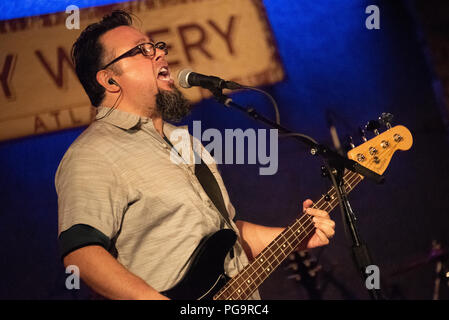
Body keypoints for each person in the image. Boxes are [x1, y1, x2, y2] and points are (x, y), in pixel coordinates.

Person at [55, 10, 335, 300]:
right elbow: (82, 254)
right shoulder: (92, 153)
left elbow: (229, 235)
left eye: (158, 46)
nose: (160, 54)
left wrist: (294, 238)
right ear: (110, 80)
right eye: (143, 50)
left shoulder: (185, 141)